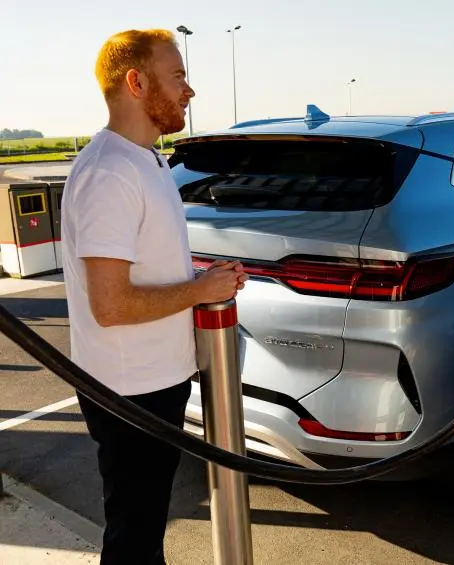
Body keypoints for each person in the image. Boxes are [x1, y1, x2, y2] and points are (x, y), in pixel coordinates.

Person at [61, 29, 247, 565]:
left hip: (155, 383)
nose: (190, 91)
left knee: (144, 530)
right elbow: (111, 304)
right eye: (179, 76)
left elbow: (148, 262)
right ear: (137, 82)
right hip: (129, 393)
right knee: (135, 538)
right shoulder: (109, 173)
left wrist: (201, 274)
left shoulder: (147, 162)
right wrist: (201, 288)